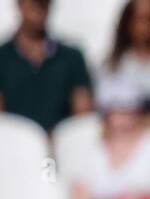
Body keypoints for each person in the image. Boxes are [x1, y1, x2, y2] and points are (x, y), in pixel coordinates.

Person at [0, 0, 93, 131]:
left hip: (60, 145)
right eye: (33, 2)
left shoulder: (71, 57)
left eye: (44, 2)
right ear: (20, 4)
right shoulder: (3, 57)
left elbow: (83, 116)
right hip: (15, 146)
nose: (38, 7)